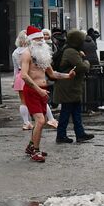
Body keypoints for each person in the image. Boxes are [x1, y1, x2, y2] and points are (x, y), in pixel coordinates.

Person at [20, 26, 75, 162]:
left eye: (42, 38)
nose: (41, 40)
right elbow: (24, 76)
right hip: (33, 91)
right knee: (40, 121)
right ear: (31, 40)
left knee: (41, 122)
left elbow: (52, 74)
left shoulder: (42, 55)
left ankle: (31, 146)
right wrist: (38, 90)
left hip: (42, 90)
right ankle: (35, 151)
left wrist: (68, 76)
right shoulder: (27, 54)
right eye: (37, 38)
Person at [52, 30, 94, 145]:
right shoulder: (70, 51)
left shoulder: (70, 50)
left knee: (76, 111)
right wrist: (86, 61)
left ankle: (80, 134)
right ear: (77, 41)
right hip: (68, 87)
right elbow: (82, 67)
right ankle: (61, 135)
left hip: (71, 87)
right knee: (66, 111)